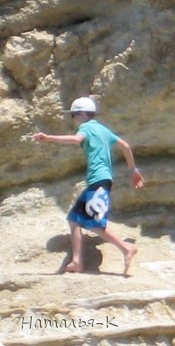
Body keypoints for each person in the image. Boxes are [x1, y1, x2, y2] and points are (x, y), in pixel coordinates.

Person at [32, 97, 145, 275]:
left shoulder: (86, 127)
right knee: (74, 219)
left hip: (99, 180)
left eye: (74, 115)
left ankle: (126, 248)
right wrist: (134, 170)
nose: (74, 119)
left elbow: (77, 140)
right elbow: (125, 145)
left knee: (92, 224)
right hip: (101, 180)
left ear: (83, 114)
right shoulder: (103, 129)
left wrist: (48, 138)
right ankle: (77, 262)